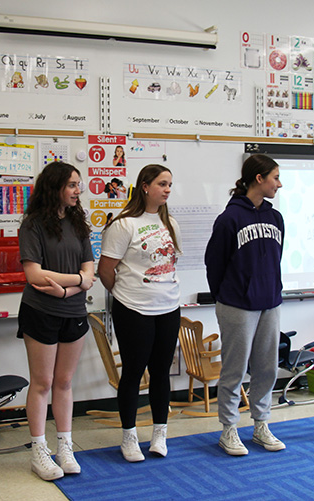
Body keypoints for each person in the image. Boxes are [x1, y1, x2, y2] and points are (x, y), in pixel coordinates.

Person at [204, 154, 286, 456]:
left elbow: (276, 259)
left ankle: (261, 423)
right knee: (234, 370)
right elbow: (214, 264)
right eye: (275, 177)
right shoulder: (229, 219)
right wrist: (225, 299)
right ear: (259, 178)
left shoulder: (276, 218)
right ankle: (228, 428)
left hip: (270, 302)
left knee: (267, 367)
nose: (280, 183)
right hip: (236, 305)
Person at [17, 161, 95, 481]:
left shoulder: (78, 224)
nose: (79, 190)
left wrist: (66, 289)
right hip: (40, 312)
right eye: (72, 185)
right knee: (43, 383)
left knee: (64, 382)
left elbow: (91, 274)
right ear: (56, 187)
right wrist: (78, 280)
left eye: (79, 184)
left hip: (73, 310)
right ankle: (39, 449)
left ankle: (65, 446)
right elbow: (34, 274)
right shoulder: (33, 224)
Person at [98, 165, 181, 462]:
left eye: (170, 184)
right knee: (133, 372)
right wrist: (125, 293)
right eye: (162, 183)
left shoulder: (170, 222)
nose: (168, 189)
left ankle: (160, 433)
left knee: (161, 372)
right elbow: (105, 271)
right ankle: (129, 436)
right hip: (133, 308)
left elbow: (171, 263)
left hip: (168, 307)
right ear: (145, 186)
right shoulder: (124, 224)